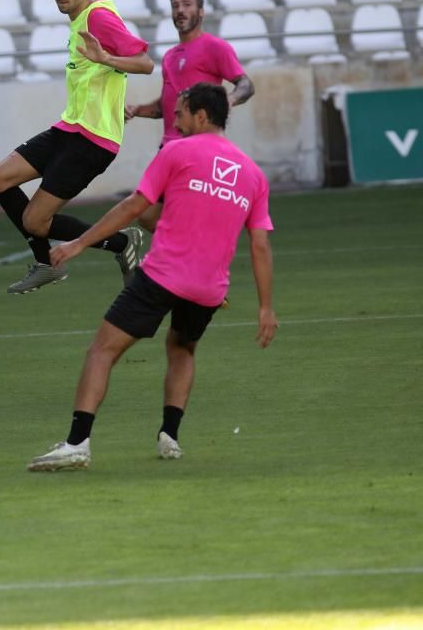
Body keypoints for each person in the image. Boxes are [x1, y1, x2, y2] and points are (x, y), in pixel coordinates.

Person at [27, 83, 278, 472]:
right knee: (182, 350)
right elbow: (259, 246)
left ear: (200, 115)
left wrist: (78, 243)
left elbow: (133, 207)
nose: (174, 123)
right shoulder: (253, 174)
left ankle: (77, 443)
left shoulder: (177, 152)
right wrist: (265, 308)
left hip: (162, 277)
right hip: (209, 289)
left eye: (179, 114)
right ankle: (170, 437)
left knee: (102, 351)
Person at [0, 0, 154, 296]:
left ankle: (120, 243)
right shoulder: (80, 20)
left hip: (92, 141)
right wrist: (112, 89)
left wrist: (107, 58)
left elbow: (145, 63)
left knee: (34, 220)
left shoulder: (98, 18)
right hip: (70, 128)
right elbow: (101, 74)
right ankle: (49, 264)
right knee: (0, 178)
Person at [125, 0, 255, 233]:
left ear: (201, 12)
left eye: (186, 5)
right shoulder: (171, 56)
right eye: (175, 6)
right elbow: (166, 105)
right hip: (169, 147)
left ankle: (192, 253)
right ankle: (189, 251)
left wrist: (225, 102)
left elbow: (246, 85)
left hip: (196, 148)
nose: (180, 11)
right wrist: (136, 110)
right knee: (147, 215)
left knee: (155, 210)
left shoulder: (215, 47)